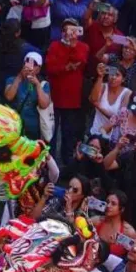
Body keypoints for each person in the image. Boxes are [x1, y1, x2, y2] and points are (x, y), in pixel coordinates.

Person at [45, 18, 89, 163]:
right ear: (62, 32)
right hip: (55, 96)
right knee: (51, 132)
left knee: (68, 132)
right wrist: (65, 67)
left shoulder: (83, 47)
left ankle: (67, 163)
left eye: (73, 30)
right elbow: (51, 67)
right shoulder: (54, 46)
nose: (69, 33)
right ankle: (49, 161)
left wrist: (72, 46)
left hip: (72, 97)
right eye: (66, 30)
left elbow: (80, 62)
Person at [4, 51, 51, 141]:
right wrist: (19, 78)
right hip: (14, 126)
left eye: (34, 64)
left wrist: (37, 84)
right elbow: (9, 97)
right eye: (27, 62)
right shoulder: (12, 80)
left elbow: (44, 104)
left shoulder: (43, 84)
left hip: (33, 129)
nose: (30, 67)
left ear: (38, 69)